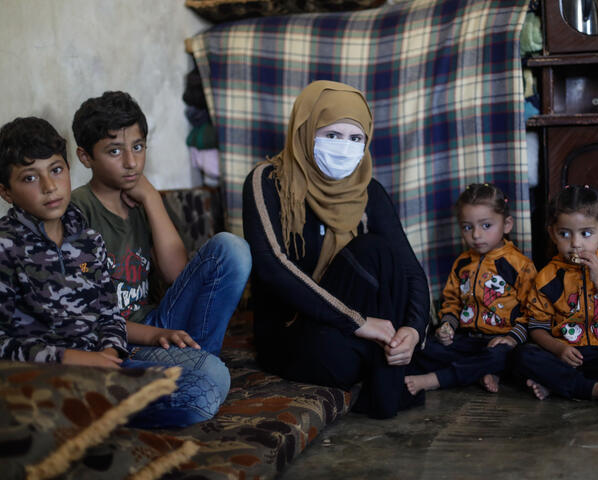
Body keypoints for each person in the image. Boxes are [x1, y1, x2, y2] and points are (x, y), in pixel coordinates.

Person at [0, 117, 228, 428]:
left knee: (211, 372)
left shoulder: (87, 239)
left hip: (106, 364)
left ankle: (100, 408)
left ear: (68, 170)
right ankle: (85, 412)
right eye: (29, 178)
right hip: (47, 376)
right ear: (6, 192)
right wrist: (75, 360)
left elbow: (109, 315)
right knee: (199, 396)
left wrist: (111, 350)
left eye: (56, 170)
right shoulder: (5, 247)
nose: (49, 187)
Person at [242, 80, 431, 419]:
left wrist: (413, 331)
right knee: (344, 354)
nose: (344, 148)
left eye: (356, 138)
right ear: (306, 128)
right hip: (292, 337)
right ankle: (391, 377)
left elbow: (409, 269)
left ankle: (396, 355)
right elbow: (272, 266)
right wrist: (357, 322)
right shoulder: (268, 180)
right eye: (332, 135)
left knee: (380, 252)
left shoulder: (368, 190)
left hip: (349, 333)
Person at [70, 91, 252, 364]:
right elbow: (83, 315)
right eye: (115, 151)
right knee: (211, 376)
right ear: (85, 157)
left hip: (155, 321)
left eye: (138, 147)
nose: (131, 162)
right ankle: (197, 366)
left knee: (232, 249)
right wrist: (156, 335)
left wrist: (152, 198)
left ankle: (199, 361)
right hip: (111, 341)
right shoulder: (77, 210)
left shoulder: (142, 199)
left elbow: (176, 274)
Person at [512, 185, 598, 410]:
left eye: (586, 233)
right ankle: (596, 390)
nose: (576, 244)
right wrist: (558, 349)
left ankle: (559, 384)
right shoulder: (547, 276)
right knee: (522, 356)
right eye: (564, 233)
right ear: (552, 233)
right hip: (564, 356)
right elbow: (537, 328)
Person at [405, 183, 536, 395]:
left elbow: (532, 312)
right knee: (425, 348)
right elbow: (452, 302)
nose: (476, 235)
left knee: (503, 356)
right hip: (467, 339)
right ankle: (481, 372)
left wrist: (512, 339)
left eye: (486, 226)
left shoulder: (520, 265)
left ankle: (437, 379)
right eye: (467, 227)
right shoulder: (462, 263)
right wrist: (448, 325)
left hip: (501, 340)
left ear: (507, 224)